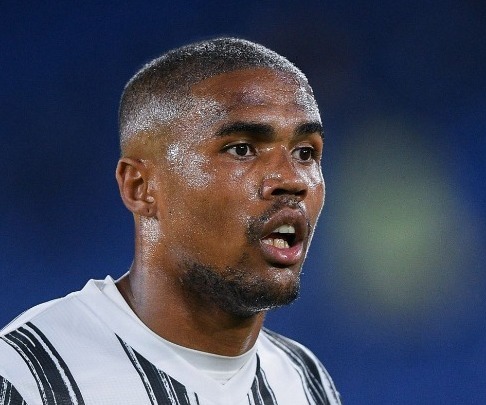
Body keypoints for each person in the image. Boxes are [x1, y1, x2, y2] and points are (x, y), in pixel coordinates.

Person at [0, 37, 341, 405]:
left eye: (305, 153)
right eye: (242, 149)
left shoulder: (304, 380)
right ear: (140, 187)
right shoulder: (25, 378)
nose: (292, 179)